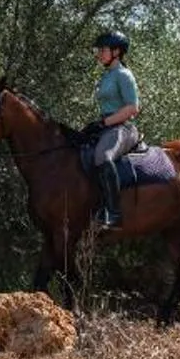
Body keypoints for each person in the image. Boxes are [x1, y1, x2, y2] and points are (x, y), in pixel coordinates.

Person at [76, 30, 142, 228]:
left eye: (102, 50)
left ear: (116, 52)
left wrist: (104, 123)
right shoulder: (107, 76)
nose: (99, 54)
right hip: (107, 126)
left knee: (103, 156)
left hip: (123, 128)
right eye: (99, 50)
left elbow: (132, 108)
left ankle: (114, 213)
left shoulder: (123, 75)